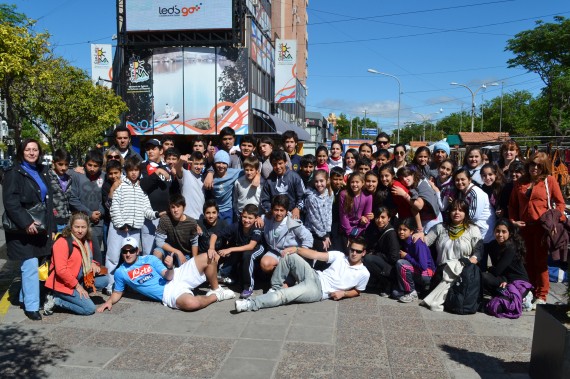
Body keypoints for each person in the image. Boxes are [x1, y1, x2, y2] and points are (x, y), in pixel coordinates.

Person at [97, 237, 236, 313]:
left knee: (208, 257)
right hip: (168, 292)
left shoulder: (150, 259)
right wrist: (109, 302)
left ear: (137, 251)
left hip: (176, 275)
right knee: (191, 304)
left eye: (131, 250)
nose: (128, 254)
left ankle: (217, 289)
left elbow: (168, 276)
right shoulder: (121, 272)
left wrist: (170, 267)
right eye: (125, 251)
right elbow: (117, 292)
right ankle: (215, 296)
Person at [234, 237, 370, 312]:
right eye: (352, 249)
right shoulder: (340, 256)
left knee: (284, 296)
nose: (354, 253)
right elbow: (316, 254)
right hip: (314, 275)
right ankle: (275, 288)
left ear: (363, 253)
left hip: (318, 290)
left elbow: (357, 291)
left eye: (358, 251)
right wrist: (297, 249)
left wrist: (343, 294)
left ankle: (250, 304)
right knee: (290, 256)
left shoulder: (364, 273)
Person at [2, 139, 54, 320]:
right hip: (22, 228)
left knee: (36, 264)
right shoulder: (13, 173)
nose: (31, 153)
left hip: (40, 226)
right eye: (27, 150)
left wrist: (51, 227)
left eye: (35, 150)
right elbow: (10, 202)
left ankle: (25, 298)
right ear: (21, 152)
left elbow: (48, 201)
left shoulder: (43, 171)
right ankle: (32, 307)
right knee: (30, 265)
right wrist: (26, 223)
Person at [509, 152, 566, 308]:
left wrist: (555, 220)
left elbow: (560, 203)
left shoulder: (550, 181)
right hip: (524, 228)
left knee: (540, 262)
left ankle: (541, 295)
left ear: (544, 167)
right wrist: (513, 220)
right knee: (526, 261)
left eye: (539, 165)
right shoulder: (521, 182)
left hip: (541, 229)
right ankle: (529, 291)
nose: (535, 168)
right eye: (532, 164)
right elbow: (513, 205)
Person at [106, 156, 161, 293]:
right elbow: (114, 206)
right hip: (118, 228)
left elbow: (146, 209)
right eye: (131, 170)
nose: (134, 173)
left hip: (134, 230)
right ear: (126, 171)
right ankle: (110, 285)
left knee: (132, 258)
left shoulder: (141, 188)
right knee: (113, 257)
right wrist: (121, 224)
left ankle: (131, 285)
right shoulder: (120, 185)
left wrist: (156, 214)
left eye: (136, 170)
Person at [43, 213, 108, 316]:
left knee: (104, 280)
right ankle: (56, 300)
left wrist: (93, 263)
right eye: (77, 227)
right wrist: (77, 286)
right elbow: (61, 271)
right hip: (63, 284)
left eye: (83, 227)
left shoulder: (86, 241)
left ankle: (78, 296)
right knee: (89, 309)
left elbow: (85, 259)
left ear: (88, 228)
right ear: (71, 227)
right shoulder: (62, 242)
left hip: (79, 278)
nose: (80, 230)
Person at [208, 204, 265, 299]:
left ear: (255, 218)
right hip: (243, 248)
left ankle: (248, 288)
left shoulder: (257, 227)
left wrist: (229, 249)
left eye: (250, 218)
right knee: (236, 250)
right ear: (241, 215)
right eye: (245, 217)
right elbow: (215, 234)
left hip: (257, 248)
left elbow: (251, 246)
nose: (246, 220)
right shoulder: (237, 226)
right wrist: (211, 248)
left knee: (247, 255)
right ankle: (224, 275)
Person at [483, 219, 532, 310]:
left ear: (510, 233)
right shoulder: (492, 245)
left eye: (504, 232)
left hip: (518, 282)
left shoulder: (511, 247)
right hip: (503, 279)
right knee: (482, 277)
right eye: (497, 231)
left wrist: (490, 270)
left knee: (498, 308)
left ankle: (524, 298)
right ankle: (502, 295)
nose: (500, 234)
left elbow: (497, 270)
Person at [259, 195, 313, 274]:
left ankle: (288, 276)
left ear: (287, 211)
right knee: (265, 264)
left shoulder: (293, 222)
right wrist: (258, 218)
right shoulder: (268, 219)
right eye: (276, 210)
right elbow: (258, 218)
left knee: (285, 285)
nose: (278, 213)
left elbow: (308, 238)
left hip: (291, 254)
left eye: (282, 210)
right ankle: (281, 275)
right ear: (272, 210)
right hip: (276, 252)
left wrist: (301, 253)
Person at [69, 149, 106, 258]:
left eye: (96, 166)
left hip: (97, 222)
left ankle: (96, 274)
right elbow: (73, 199)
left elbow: (106, 199)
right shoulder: (77, 175)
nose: (92, 168)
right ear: (85, 163)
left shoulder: (104, 176)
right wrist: (89, 213)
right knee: (78, 251)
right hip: (80, 220)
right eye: (89, 165)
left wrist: (99, 212)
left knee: (96, 252)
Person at [139, 138, 172, 255]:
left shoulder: (168, 166)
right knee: (148, 252)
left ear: (161, 151)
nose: (150, 151)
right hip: (149, 216)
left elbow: (173, 190)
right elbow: (142, 186)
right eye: (148, 149)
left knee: (165, 252)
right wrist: (157, 172)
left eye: (154, 148)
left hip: (166, 216)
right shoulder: (142, 166)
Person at [393, 218, 435, 303]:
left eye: (405, 230)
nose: (401, 232)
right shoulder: (405, 241)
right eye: (400, 229)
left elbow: (423, 266)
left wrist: (407, 256)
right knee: (395, 293)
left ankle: (411, 292)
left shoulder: (417, 243)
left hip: (427, 274)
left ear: (411, 231)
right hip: (417, 270)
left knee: (401, 264)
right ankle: (415, 289)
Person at [153, 193, 199, 267]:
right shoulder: (165, 219)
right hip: (168, 250)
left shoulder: (191, 222)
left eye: (178, 206)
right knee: (156, 253)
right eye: (173, 207)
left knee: (184, 273)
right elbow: (158, 241)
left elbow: (194, 242)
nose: (175, 210)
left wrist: (194, 261)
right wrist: (177, 252)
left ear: (184, 207)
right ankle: (160, 276)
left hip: (185, 253)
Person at [363, 207, 399, 296]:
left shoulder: (391, 234)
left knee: (368, 259)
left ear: (389, 218)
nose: (380, 220)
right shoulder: (377, 229)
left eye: (383, 217)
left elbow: (394, 257)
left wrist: (376, 255)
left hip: (390, 267)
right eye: (377, 217)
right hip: (383, 261)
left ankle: (387, 283)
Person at [454, 168, 495, 244]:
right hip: (475, 230)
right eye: (457, 180)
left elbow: (474, 216)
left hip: (484, 231)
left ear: (469, 180)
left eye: (463, 179)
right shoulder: (464, 192)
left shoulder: (475, 193)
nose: (460, 182)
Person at [259, 150, 305, 218]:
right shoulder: (269, 181)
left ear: (285, 162)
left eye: (280, 163)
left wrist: (298, 208)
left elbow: (303, 196)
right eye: (274, 164)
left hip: (293, 216)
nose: (278, 167)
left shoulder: (295, 177)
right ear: (271, 164)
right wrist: (271, 210)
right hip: (275, 217)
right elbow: (264, 200)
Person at [339, 172, 372, 247]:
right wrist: (350, 233)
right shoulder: (344, 194)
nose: (354, 184)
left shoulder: (368, 196)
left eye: (357, 182)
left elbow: (367, 216)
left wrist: (358, 231)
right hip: (346, 229)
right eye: (352, 182)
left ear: (362, 183)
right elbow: (343, 215)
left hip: (360, 229)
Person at [304, 170, 333, 254]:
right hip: (313, 231)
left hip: (325, 231)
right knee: (324, 251)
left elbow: (329, 213)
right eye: (316, 181)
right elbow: (314, 218)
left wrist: (327, 232)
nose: (319, 184)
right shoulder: (311, 197)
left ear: (327, 180)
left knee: (330, 251)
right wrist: (324, 236)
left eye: (321, 181)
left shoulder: (330, 193)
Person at [176, 151, 206, 220]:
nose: (199, 167)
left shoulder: (204, 177)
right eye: (196, 164)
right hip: (187, 217)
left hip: (201, 217)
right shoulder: (186, 174)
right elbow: (177, 168)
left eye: (201, 164)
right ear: (190, 163)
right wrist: (181, 161)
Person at [48, 148, 73, 232]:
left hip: (68, 222)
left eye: (66, 164)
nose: (63, 167)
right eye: (60, 164)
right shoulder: (47, 177)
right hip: (53, 223)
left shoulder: (70, 178)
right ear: (53, 163)